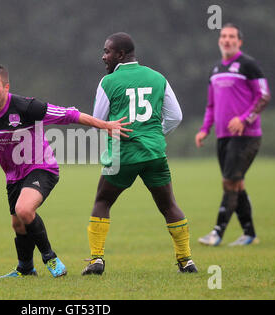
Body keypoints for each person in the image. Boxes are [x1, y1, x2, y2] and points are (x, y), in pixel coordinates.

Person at [0, 64, 131, 278]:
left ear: (6, 87)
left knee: (24, 210)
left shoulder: (27, 107)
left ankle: (49, 258)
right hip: (13, 175)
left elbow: (69, 115)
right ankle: (25, 269)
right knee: (18, 223)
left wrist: (104, 125)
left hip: (42, 167)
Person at [81, 32, 198, 275]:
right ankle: (186, 260)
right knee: (169, 206)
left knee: (102, 202)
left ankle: (96, 260)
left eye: (107, 52)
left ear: (121, 55)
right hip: (154, 154)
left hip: (123, 155)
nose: (103, 57)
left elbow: (98, 120)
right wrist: (154, 134)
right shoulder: (158, 77)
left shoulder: (109, 82)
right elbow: (176, 116)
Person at [195, 23, 271, 247]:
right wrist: (204, 130)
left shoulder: (249, 65)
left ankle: (217, 233)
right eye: (223, 36)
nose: (226, 40)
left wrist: (244, 119)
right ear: (219, 40)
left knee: (229, 181)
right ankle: (249, 234)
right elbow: (211, 106)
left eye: (231, 37)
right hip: (223, 137)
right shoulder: (216, 69)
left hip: (247, 136)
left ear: (239, 41)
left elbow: (264, 97)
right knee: (236, 183)